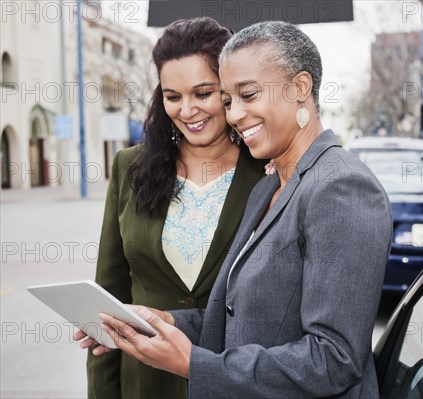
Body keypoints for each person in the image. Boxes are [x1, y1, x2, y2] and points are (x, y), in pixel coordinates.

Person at [77, 21, 392, 398]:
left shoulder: (341, 186)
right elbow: (237, 318)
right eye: (229, 101)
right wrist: (163, 321)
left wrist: (194, 364)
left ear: (300, 88)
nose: (235, 114)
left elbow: (334, 359)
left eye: (249, 95)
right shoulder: (270, 188)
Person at [86, 17, 265, 398]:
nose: (188, 110)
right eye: (173, 96)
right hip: (144, 382)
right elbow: (108, 299)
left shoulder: (268, 172)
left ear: (229, 90)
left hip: (235, 379)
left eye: (203, 93)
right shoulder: (129, 168)